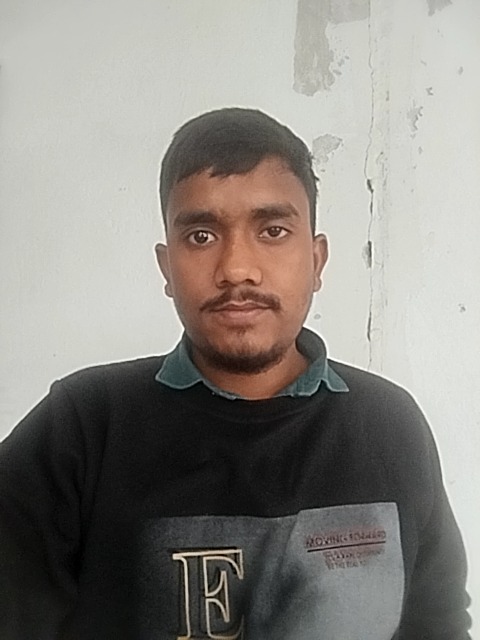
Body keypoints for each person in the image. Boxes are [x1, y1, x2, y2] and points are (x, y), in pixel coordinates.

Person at [0, 107, 471, 640]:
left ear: (317, 261)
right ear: (167, 268)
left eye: (273, 230)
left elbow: (439, 622)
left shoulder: (388, 425)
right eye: (201, 236)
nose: (236, 269)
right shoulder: (83, 429)